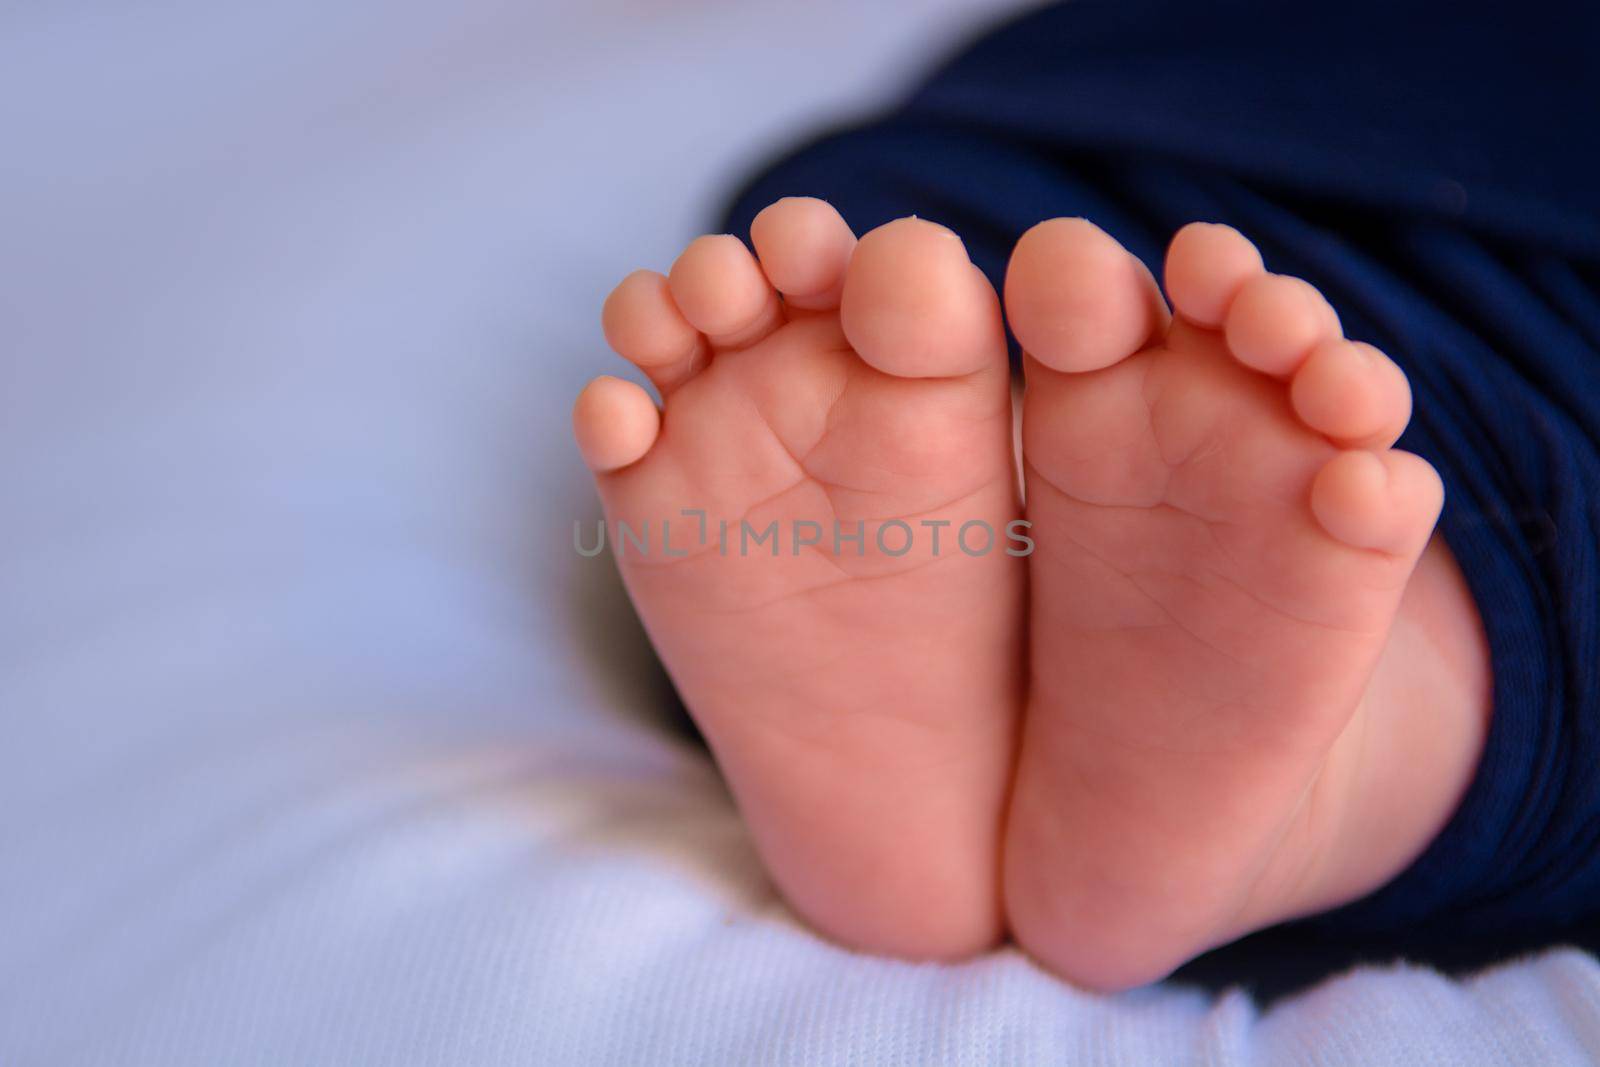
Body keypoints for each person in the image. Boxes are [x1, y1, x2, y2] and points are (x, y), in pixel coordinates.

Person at [571, 0, 1600, 991]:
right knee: (1467, 469)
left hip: (1167, 102)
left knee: (935, 271)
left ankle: (1044, 520)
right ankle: (1373, 719)